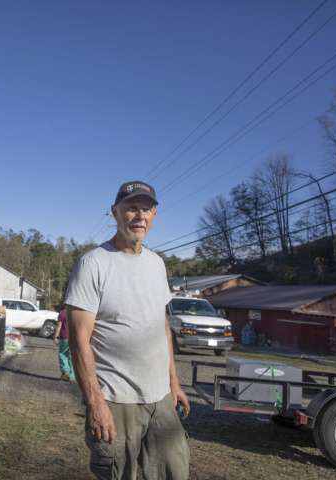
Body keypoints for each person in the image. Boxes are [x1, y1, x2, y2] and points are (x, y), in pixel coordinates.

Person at [65, 180, 190, 480]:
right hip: (116, 400)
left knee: (174, 471)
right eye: (131, 208)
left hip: (160, 399)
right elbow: (78, 340)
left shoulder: (157, 264)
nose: (139, 216)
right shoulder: (93, 263)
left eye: (146, 209)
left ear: (154, 215)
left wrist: (173, 383)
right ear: (115, 212)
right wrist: (95, 402)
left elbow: (162, 327)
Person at [53, 305, 75, 382]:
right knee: (71, 357)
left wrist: (55, 336)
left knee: (62, 354)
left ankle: (65, 372)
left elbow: (59, 326)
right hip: (74, 338)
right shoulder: (75, 313)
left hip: (64, 337)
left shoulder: (62, 313)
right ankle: (72, 376)